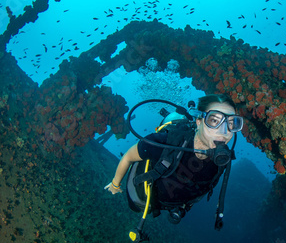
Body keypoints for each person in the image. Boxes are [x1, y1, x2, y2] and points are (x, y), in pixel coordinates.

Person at [104, 94, 243, 227]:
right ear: (199, 121)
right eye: (214, 120)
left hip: (175, 204)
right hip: (147, 197)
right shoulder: (165, 143)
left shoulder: (222, 160)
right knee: (134, 207)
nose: (224, 131)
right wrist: (115, 184)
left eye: (232, 123)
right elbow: (128, 156)